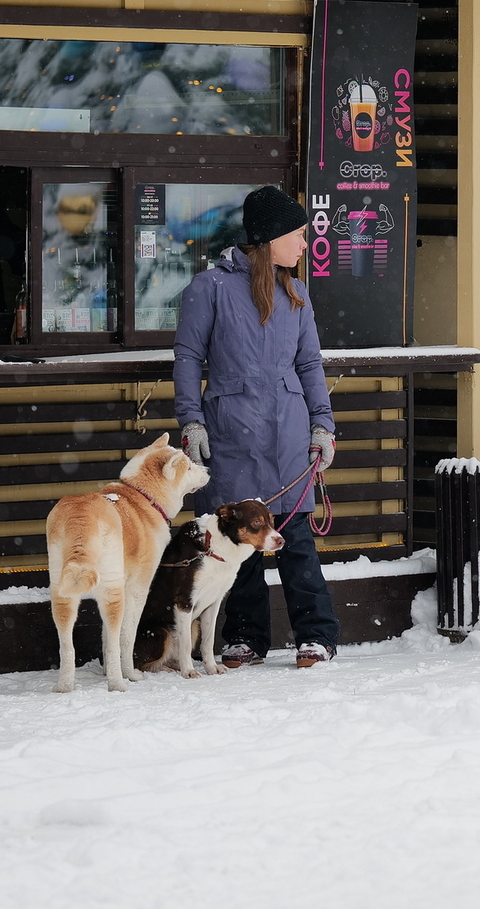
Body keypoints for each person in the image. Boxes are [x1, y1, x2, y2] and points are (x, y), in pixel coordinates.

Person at [174, 185, 341, 666]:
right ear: (269, 239)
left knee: (297, 544)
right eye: (298, 234)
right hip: (229, 432)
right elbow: (188, 357)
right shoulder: (209, 288)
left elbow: (310, 365)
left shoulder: (297, 292)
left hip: (288, 432)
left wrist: (322, 426)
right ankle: (245, 637)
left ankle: (316, 635)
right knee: (234, 545)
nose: (305, 244)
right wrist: (191, 421)